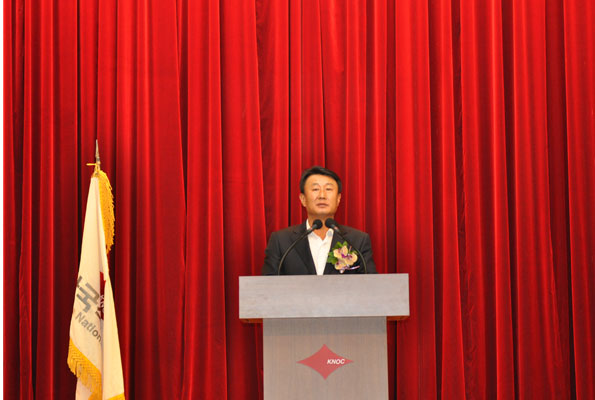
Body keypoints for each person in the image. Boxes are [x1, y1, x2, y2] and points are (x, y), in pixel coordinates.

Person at [262, 166, 377, 275]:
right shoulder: (281, 241)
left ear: (338, 199)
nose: (322, 195)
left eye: (328, 189)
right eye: (315, 189)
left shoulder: (357, 241)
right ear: (303, 199)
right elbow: (268, 284)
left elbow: (370, 284)